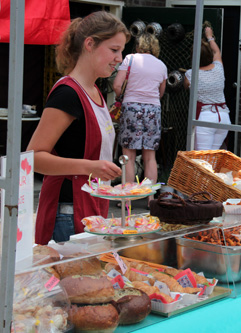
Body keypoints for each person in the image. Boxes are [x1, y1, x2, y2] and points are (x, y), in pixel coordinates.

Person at [27, 11, 130, 245]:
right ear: (90, 44)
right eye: (114, 50)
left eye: (121, 51)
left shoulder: (97, 92)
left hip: (92, 206)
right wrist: (91, 167)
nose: (119, 58)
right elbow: (34, 157)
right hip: (67, 212)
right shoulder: (67, 94)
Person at [113, 33, 167, 206]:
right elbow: (161, 93)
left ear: (138, 45)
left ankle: (127, 199)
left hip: (131, 108)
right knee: (150, 156)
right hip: (153, 109)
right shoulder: (161, 65)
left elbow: (116, 85)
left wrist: (122, 96)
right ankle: (150, 199)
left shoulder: (130, 59)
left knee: (128, 154)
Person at [184, 26, 231, 150]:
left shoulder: (190, 74)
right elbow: (217, 52)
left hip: (206, 117)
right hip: (223, 117)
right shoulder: (218, 68)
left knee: (201, 158)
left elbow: (185, 87)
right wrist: (209, 36)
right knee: (213, 158)